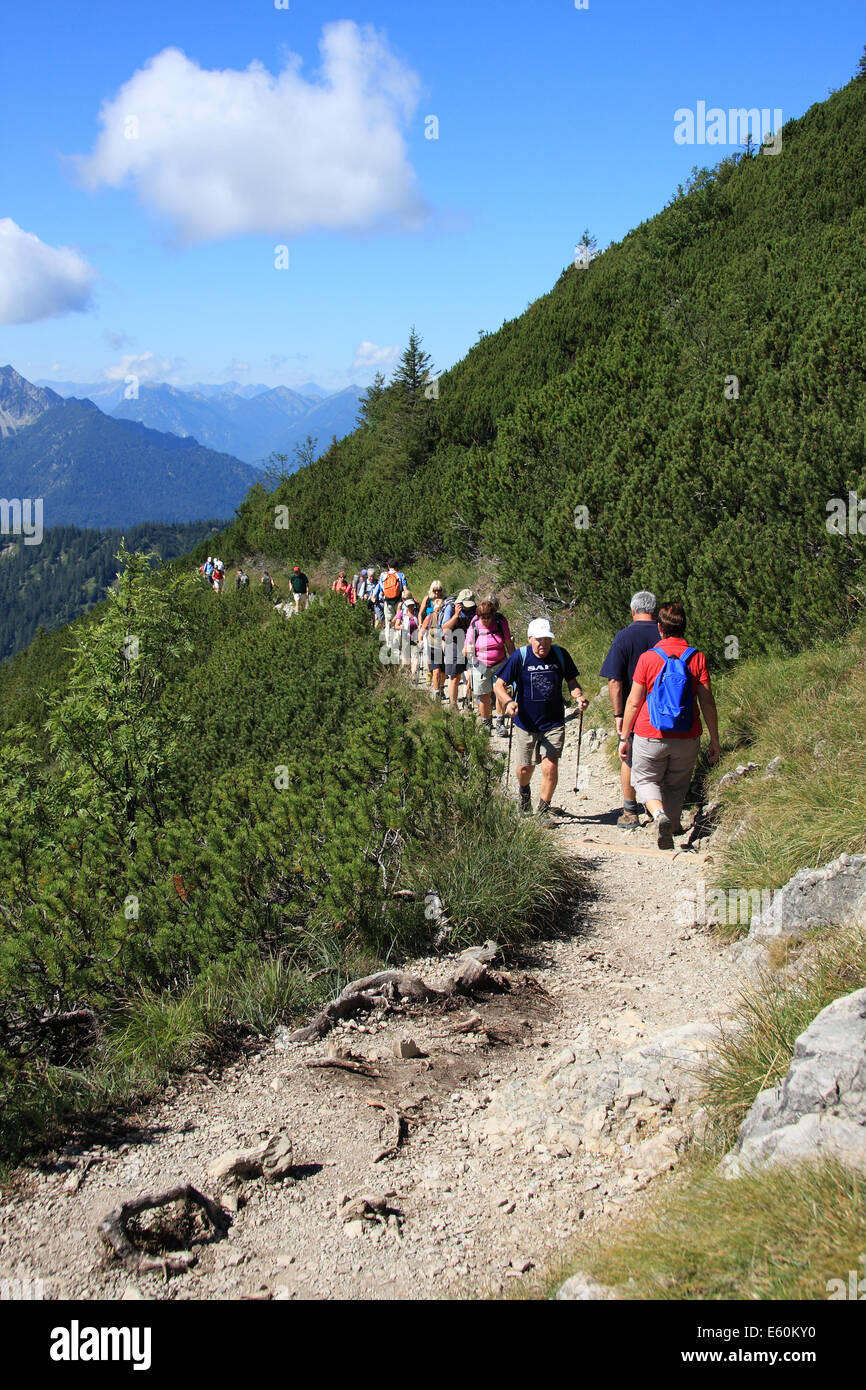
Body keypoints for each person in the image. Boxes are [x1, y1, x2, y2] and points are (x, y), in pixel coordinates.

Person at [618, 601, 721, 849]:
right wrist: (714, 739)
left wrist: (624, 737)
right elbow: (707, 702)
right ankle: (672, 825)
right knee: (677, 784)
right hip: (687, 735)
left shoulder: (648, 658)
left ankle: (658, 815)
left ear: (660, 629)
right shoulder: (697, 657)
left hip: (650, 732)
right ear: (684, 626)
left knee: (644, 779)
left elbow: (633, 702)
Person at [495, 618, 588, 817]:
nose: (543, 644)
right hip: (525, 722)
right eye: (538, 639)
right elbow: (498, 685)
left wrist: (578, 696)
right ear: (530, 639)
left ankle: (543, 810)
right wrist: (508, 702)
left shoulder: (560, 655)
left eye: (547, 639)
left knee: (550, 765)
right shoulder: (520, 657)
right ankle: (524, 791)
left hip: (553, 722)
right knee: (525, 769)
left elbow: (572, 682)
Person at [599, 591, 660, 827]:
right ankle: (658, 806)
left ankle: (630, 811)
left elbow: (614, 681)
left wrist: (618, 715)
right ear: (654, 611)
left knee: (628, 757)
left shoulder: (623, 637)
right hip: (664, 711)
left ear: (633, 611)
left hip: (633, 712)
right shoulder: (664, 633)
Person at [464, 598, 515, 734]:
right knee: (483, 696)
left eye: (488, 616)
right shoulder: (474, 625)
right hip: (480, 664)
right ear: (478, 615)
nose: (485, 619)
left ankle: (500, 722)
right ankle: (486, 722)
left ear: (493, 615)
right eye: (482, 617)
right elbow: (468, 648)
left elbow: (508, 644)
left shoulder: (500, 622)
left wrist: (515, 662)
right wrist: (472, 664)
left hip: (500, 663)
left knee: (500, 693)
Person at [442, 589, 476, 711]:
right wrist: (456, 615)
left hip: (470, 644)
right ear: (459, 603)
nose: (468, 609)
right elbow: (445, 629)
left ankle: (467, 702)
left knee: (470, 676)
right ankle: (453, 704)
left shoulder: (475, 610)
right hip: (454, 643)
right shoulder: (450, 609)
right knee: (455, 677)